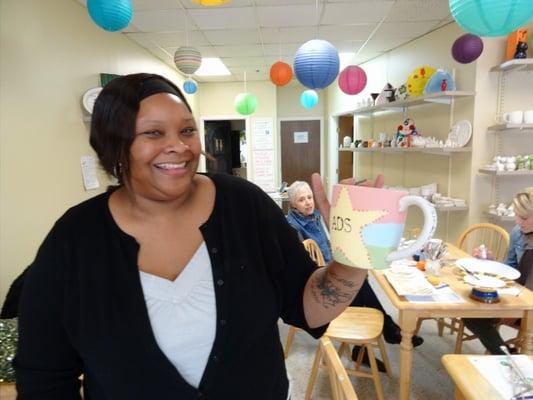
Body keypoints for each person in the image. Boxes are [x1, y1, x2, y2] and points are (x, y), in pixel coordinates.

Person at [14, 73, 369, 400]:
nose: (179, 147)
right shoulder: (74, 240)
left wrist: (354, 257)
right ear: (113, 145)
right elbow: (44, 376)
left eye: (187, 131)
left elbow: (307, 305)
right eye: (153, 133)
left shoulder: (244, 205)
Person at [286, 180, 423, 372]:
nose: (308, 202)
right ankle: (386, 329)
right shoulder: (291, 225)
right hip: (315, 278)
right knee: (358, 285)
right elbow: (304, 260)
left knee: (359, 282)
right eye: (301, 200)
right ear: (293, 204)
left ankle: (374, 339)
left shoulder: (315, 216)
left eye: (310, 197)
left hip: (332, 266)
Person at [463, 187, 533, 355]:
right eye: (516, 215)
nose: (518, 221)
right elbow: (511, 270)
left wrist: (516, 309)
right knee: (471, 313)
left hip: (527, 303)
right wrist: (491, 262)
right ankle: (507, 357)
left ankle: (507, 359)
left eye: (523, 217)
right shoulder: (518, 232)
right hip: (519, 296)